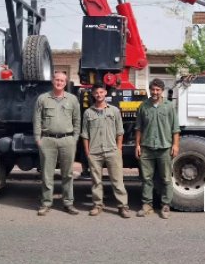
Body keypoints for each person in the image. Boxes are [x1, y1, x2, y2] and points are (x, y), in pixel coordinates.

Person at [33, 71, 81, 216]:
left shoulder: (72, 100)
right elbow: (37, 119)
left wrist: (75, 138)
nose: (59, 82)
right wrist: (38, 138)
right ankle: (46, 203)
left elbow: (77, 120)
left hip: (67, 140)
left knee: (67, 174)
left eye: (62, 80)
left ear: (65, 83)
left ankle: (68, 203)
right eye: (57, 80)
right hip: (47, 140)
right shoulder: (43, 99)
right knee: (47, 174)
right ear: (52, 81)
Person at [81, 83, 131, 219]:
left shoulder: (114, 111)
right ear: (93, 94)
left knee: (117, 180)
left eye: (101, 92)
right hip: (95, 151)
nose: (99, 95)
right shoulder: (88, 113)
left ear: (105, 93)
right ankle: (97, 205)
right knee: (96, 181)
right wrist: (87, 152)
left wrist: (118, 149)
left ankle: (122, 207)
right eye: (96, 92)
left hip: (112, 150)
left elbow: (120, 131)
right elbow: (85, 134)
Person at [135, 78, 180, 219]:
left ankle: (165, 205)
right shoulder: (143, 106)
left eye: (158, 90)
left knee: (166, 178)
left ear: (162, 91)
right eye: (153, 89)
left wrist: (175, 144)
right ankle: (147, 205)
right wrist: (137, 145)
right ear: (150, 90)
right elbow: (138, 128)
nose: (155, 92)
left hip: (164, 147)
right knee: (146, 178)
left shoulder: (169, 106)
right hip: (147, 147)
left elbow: (175, 128)